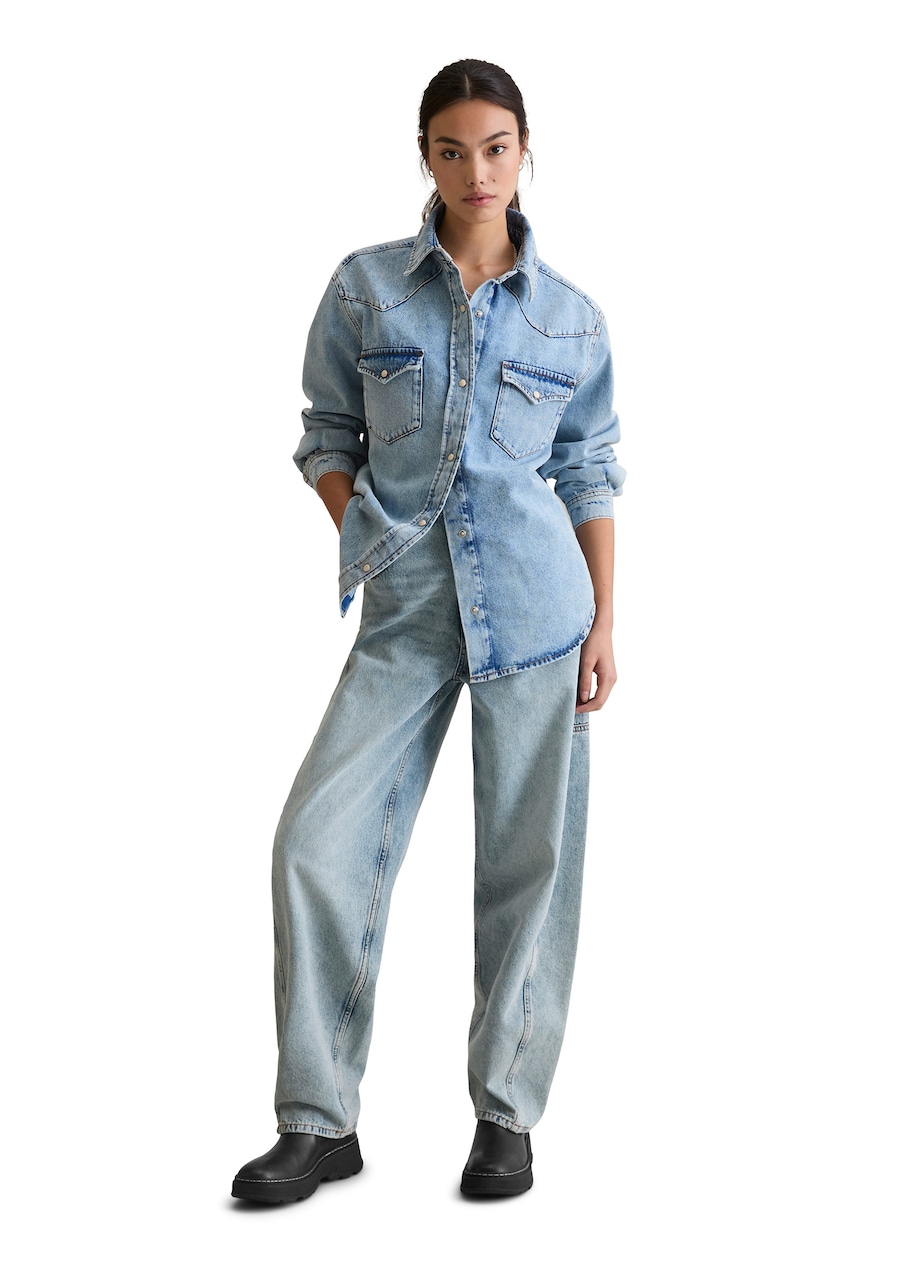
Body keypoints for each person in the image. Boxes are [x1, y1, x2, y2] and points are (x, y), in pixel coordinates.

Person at [231, 58, 625, 1204]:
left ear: (525, 150)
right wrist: (369, 533)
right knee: (315, 844)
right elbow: (327, 430)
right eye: (452, 150)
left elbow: (589, 469)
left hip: (542, 613)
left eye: (495, 148)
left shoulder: (570, 317)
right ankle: (319, 1122)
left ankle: (505, 1118)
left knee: (528, 866)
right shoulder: (367, 289)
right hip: (406, 613)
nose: (475, 172)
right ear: (426, 156)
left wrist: (607, 620)